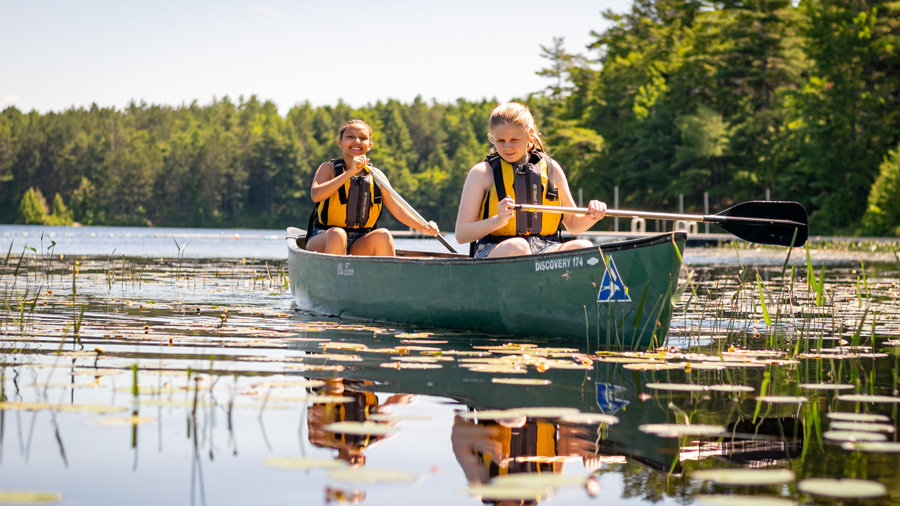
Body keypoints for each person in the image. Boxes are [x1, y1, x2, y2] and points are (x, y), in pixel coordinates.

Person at [455, 103, 606, 258]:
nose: (507, 147)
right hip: (495, 248)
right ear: (492, 138)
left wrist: (592, 216)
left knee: (583, 246)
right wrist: (498, 220)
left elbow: (573, 225)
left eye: (514, 139)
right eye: (500, 140)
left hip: (546, 247)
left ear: (530, 134)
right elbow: (461, 234)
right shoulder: (481, 173)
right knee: (518, 247)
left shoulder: (551, 168)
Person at [307, 119, 439, 256]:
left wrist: (424, 227)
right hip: (325, 236)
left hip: (360, 241)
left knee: (383, 235)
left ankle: (384, 277)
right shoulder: (328, 168)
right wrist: (349, 173)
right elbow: (316, 195)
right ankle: (333, 276)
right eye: (350, 137)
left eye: (363, 138)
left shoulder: (377, 176)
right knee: (338, 234)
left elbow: (398, 210)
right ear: (340, 142)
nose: (357, 141)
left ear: (369, 145)